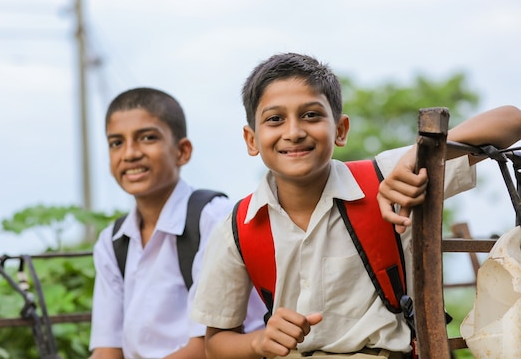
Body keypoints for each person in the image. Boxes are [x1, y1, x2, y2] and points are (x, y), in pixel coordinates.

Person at [190, 52, 521, 359]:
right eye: (275, 119)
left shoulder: (390, 178)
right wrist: (258, 341)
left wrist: (417, 156)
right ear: (252, 140)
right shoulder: (238, 227)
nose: (293, 132)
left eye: (310, 115)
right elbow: (216, 341)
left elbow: (511, 121)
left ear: (341, 130)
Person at [88, 87, 265, 359]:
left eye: (147, 138)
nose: (130, 153)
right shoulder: (112, 242)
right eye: (116, 143)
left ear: (182, 151)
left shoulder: (214, 219)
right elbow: (107, 349)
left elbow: (204, 348)